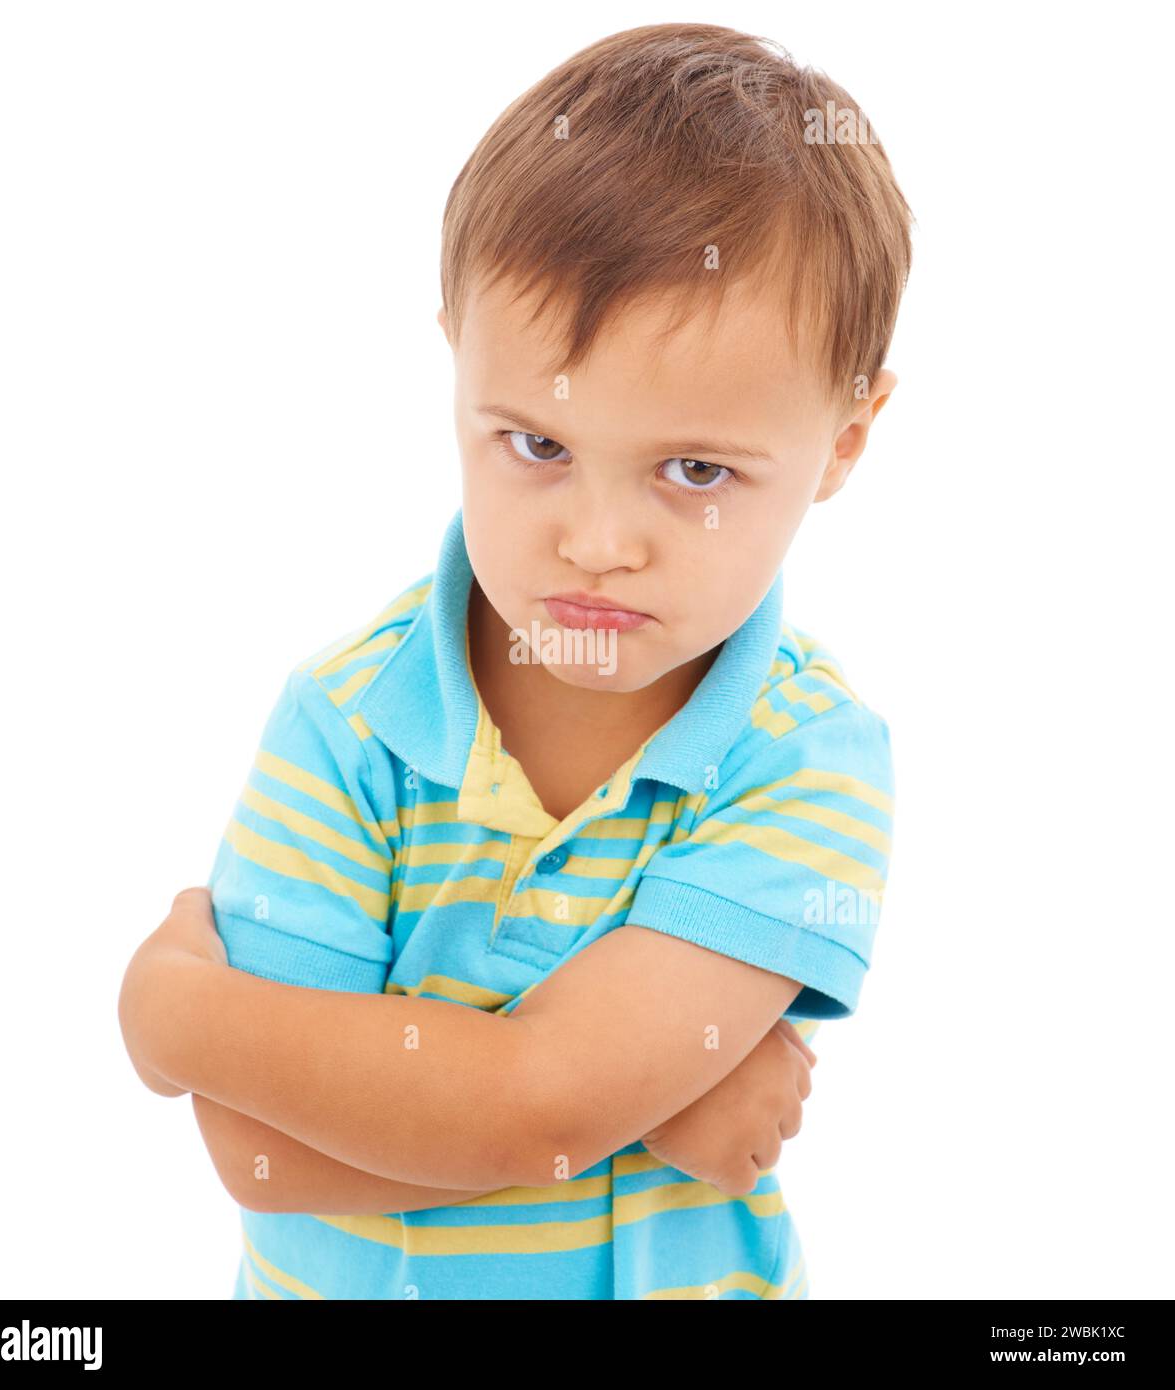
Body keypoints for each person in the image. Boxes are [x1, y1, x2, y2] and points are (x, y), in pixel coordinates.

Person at [118, 20, 910, 1300]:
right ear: (456, 360)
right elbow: (258, 1149)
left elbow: (534, 1108)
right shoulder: (350, 718)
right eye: (535, 445)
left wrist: (177, 1019)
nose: (596, 545)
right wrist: (643, 1099)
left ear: (845, 441)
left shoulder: (805, 751)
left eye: (694, 471)